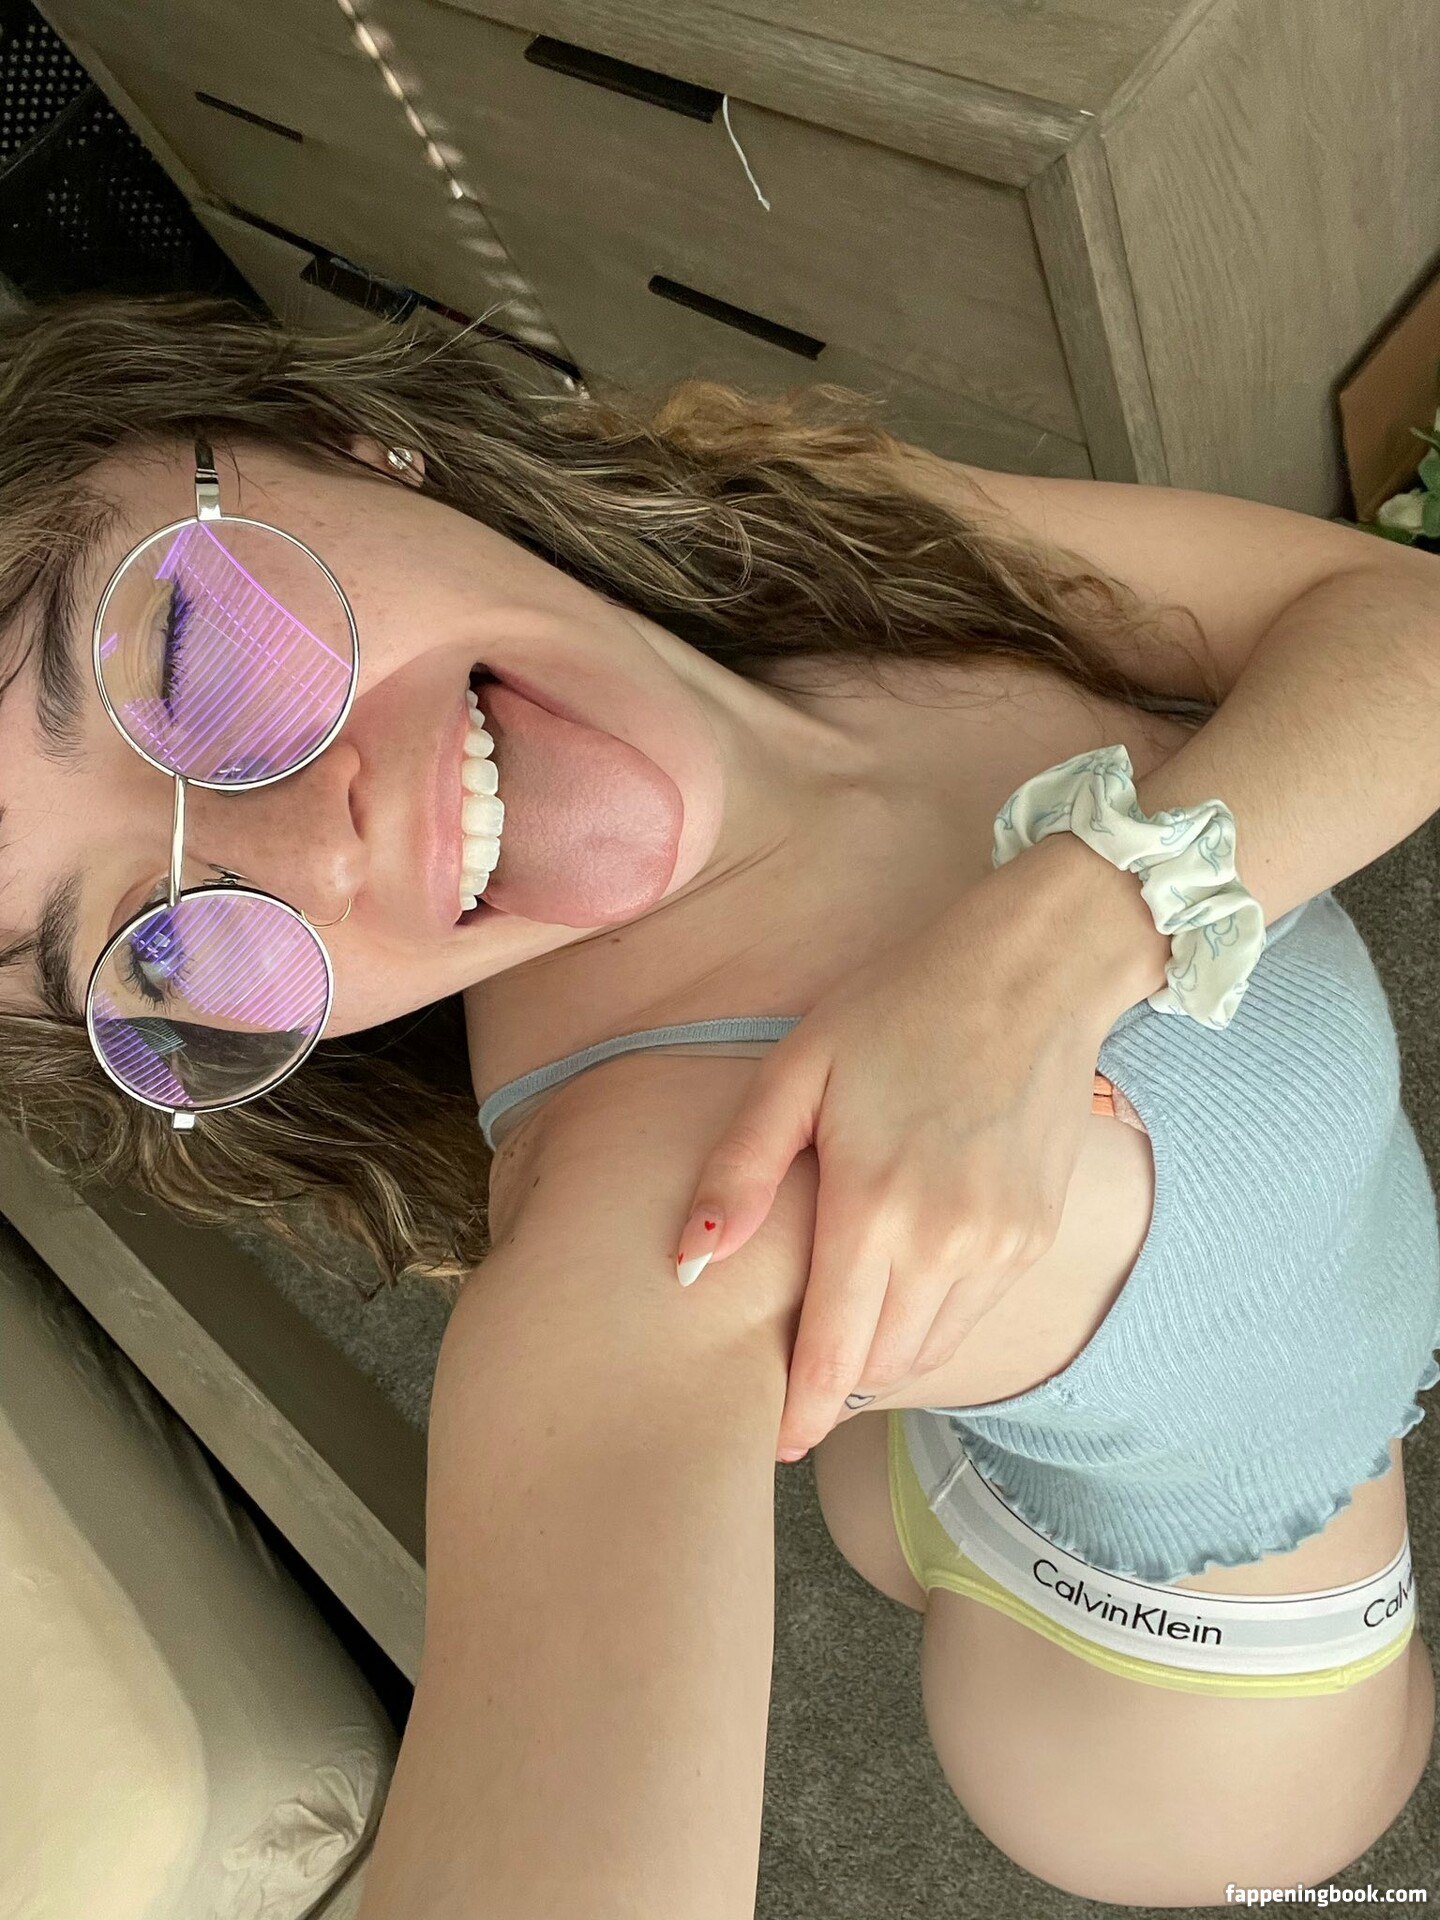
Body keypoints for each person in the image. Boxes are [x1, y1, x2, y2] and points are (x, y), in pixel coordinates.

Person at [0, 294, 1434, 1913]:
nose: (311, 853)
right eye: (157, 943)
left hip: (995, 1448)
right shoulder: (638, 1214)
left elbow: (1396, 617)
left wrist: (1062, 941)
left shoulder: (788, 524)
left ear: (339, 442)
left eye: (187, 653)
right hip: (1186, 1712)